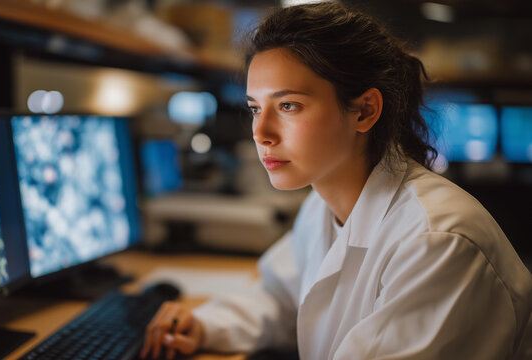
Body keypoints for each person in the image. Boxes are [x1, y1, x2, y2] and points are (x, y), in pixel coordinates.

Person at [140, 2, 532, 359]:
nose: (261, 133)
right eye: (255, 108)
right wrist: (207, 324)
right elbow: (282, 299)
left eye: (288, 105)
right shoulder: (322, 206)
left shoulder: (437, 242)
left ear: (364, 111)